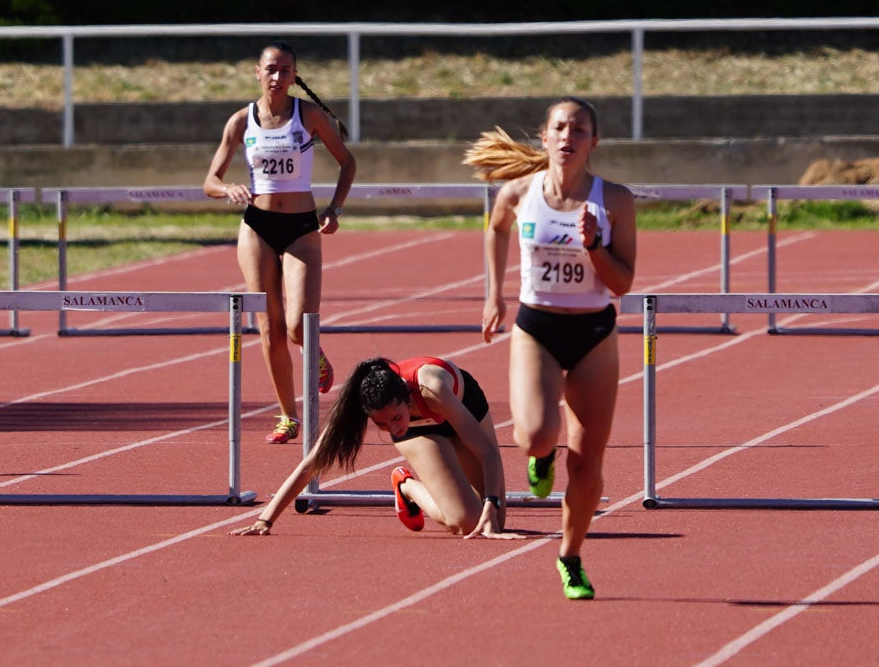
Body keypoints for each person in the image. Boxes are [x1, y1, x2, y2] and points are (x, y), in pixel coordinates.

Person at [464, 97, 637, 600]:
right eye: (560, 128)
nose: (568, 137)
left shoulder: (615, 202)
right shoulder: (519, 193)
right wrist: (493, 293)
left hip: (594, 335)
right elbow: (495, 230)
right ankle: (540, 457)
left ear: (593, 142)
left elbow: (623, 283)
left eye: (579, 129)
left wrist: (594, 247)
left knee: (586, 464)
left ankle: (571, 556)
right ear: (545, 138)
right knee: (538, 436)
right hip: (537, 328)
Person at [204, 41, 356, 444]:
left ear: (294, 76)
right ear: (258, 72)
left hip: (302, 228)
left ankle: (315, 353)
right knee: (268, 328)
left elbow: (348, 162)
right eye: (271, 69)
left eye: (285, 71)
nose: (277, 77)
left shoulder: (309, 117)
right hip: (256, 227)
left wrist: (334, 210)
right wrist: (228, 189)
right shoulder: (241, 121)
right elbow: (210, 181)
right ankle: (288, 416)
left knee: (297, 326)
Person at [230, 355, 517, 538]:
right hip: (420, 432)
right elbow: (311, 464)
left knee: (494, 518)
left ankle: (462, 499)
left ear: (407, 399)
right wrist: (265, 519)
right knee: (468, 523)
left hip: (462, 408)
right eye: (381, 425)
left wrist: (492, 502)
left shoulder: (431, 387)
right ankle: (407, 486)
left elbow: (488, 452)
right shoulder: (370, 409)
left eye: (395, 418)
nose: (392, 429)